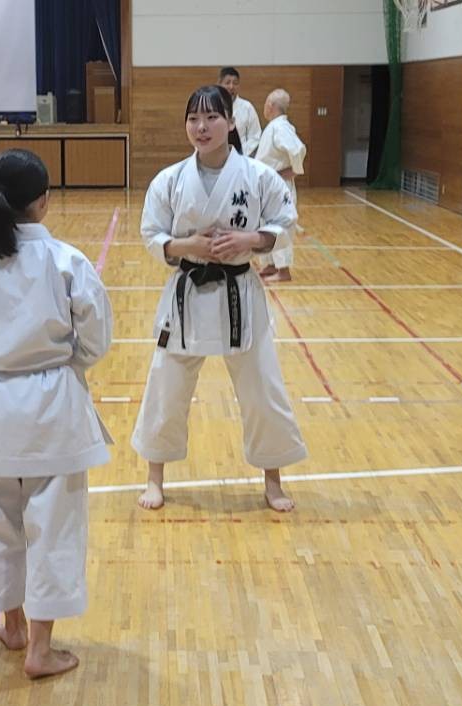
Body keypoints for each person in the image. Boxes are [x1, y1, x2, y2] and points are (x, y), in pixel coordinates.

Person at [0, 149, 112, 679]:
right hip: (53, 408)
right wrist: (63, 367)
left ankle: (11, 627)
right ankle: (40, 648)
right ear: (44, 202)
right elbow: (96, 340)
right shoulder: (67, 262)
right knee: (53, 529)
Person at [133, 85, 307, 514]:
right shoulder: (170, 179)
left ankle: (273, 480)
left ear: (231, 122)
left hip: (239, 292)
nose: (201, 127)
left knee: (262, 387)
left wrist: (251, 239)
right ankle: (154, 477)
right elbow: (151, 234)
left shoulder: (259, 176)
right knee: (166, 386)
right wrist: (187, 245)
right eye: (193, 118)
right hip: (187, 293)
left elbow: (285, 223)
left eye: (212, 117)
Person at [252, 88, 306, 283]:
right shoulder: (275, 126)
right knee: (265, 225)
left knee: (279, 225)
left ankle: (284, 270)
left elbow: (298, 150)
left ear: (271, 105)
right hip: (268, 186)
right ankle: (271, 264)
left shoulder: (281, 127)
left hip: (279, 186)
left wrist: (293, 170)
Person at [218, 67, 262, 158]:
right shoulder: (212, 106)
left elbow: (255, 136)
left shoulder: (247, 107)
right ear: (220, 84)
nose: (231, 87)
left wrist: (240, 154)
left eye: (235, 83)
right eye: (227, 83)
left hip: (242, 156)